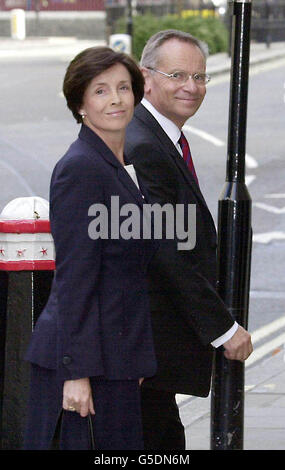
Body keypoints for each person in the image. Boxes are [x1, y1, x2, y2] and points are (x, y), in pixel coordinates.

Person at [23, 46, 158, 450]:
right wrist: (76, 374)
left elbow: (126, 274)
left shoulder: (119, 164)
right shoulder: (80, 169)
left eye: (123, 87)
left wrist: (134, 359)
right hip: (86, 366)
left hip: (116, 359)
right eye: (100, 91)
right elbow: (76, 278)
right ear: (80, 104)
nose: (115, 99)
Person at [125, 29, 253, 450]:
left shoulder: (160, 137)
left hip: (153, 357)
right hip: (141, 350)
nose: (191, 87)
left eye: (200, 77)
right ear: (146, 78)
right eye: (177, 74)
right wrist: (222, 327)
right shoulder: (143, 144)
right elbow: (163, 250)